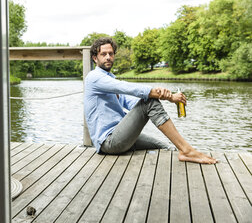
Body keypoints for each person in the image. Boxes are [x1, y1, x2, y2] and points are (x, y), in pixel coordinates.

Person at [84, 37, 217, 164]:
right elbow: (127, 87)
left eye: (111, 53)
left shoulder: (110, 80)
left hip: (120, 135)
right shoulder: (94, 78)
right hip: (108, 142)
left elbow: (132, 102)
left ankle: (185, 152)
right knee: (149, 102)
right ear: (95, 58)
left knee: (164, 146)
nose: (108, 57)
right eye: (103, 54)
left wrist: (160, 96)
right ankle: (187, 151)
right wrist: (169, 96)